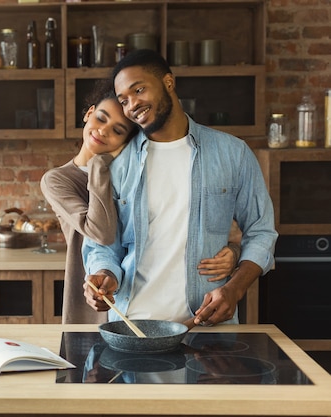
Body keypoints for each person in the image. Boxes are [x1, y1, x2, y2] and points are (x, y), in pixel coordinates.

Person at [82, 49, 277, 328]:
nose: (132, 105)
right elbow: (103, 245)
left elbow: (262, 232)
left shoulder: (233, 153)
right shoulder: (117, 165)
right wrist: (104, 275)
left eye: (139, 90)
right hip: (134, 325)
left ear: (168, 83)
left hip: (207, 326)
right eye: (124, 100)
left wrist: (235, 289)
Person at [41, 80, 240, 324]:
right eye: (101, 119)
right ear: (89, 113)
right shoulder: (59, 180)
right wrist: (99, 164)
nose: (103, 131)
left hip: (139, 297)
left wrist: (233, 252)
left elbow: (222, 229)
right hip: (93, 291)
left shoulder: (135, 175)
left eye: (118, 131)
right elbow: (101, 232)